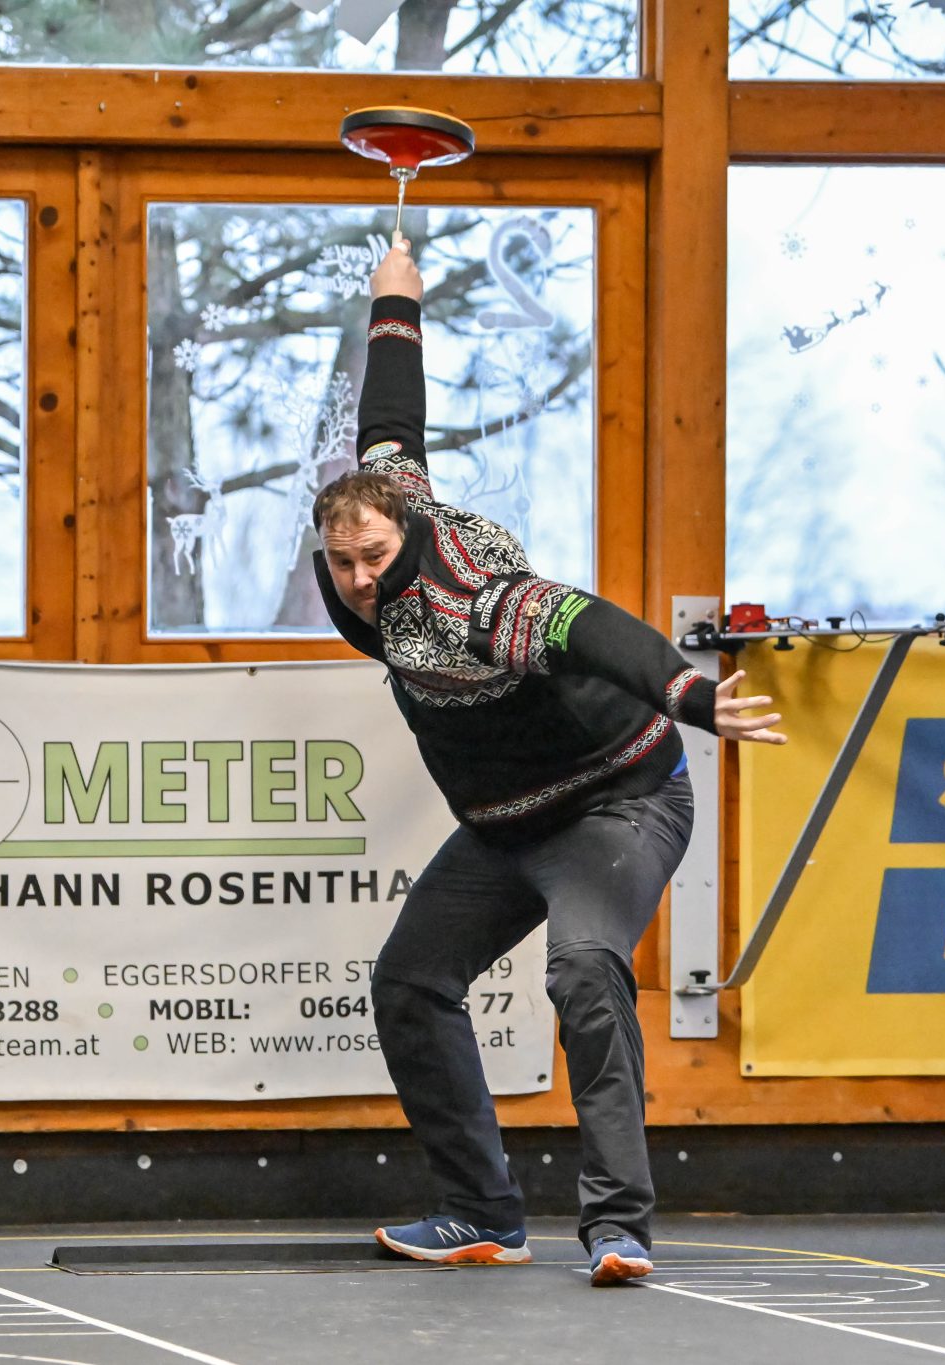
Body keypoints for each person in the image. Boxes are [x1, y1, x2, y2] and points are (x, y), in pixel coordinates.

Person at [310, 239, 785, 1286]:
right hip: (503, 825)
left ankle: (617, 1225)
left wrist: (694, 696)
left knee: (580, 969)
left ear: (407, 537)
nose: (355, 581)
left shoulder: (477, 594)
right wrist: (394, 299)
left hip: (617, 805)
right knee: (409, 981)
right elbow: (388, 413)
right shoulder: (381, 497)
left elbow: (593, 628)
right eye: (340, 563)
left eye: (372, 562)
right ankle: (480, 1212)